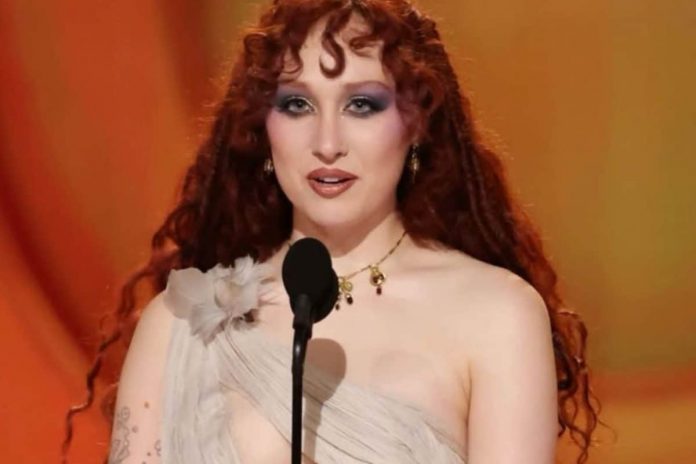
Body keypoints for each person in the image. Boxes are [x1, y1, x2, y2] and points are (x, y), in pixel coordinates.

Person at [62, 0, 603, 463]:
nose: (327, 143)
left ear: (416, 122)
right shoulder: (179, 326)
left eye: (361, 104)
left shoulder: (497, 315)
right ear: (263, 127)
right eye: (297, 104)